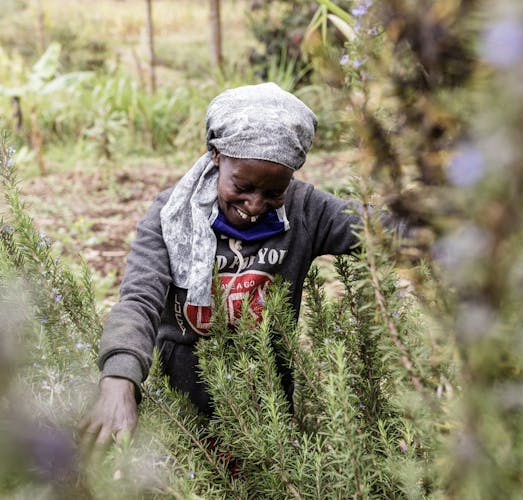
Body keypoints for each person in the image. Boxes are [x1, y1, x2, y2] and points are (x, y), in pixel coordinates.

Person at [80, 82, 364, 452]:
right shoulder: (171, 216)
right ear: (216, 154)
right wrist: (118, 379)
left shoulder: (306, 210)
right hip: (180, 410)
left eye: (274, 192)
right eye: (242, 186)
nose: (255, 204)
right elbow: (139, 299)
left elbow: (380, 231)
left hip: (267, 414)